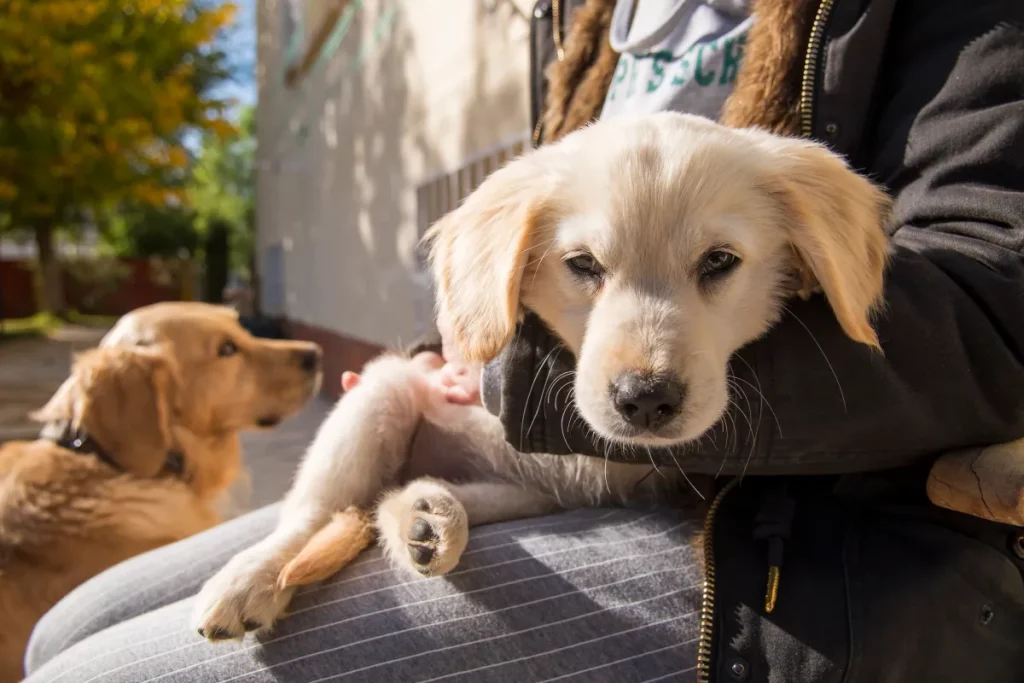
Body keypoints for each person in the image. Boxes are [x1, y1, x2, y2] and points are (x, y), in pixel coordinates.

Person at [23, 0, 1024, 681]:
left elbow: (988, 309)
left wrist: (516, 380)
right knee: (60, 624)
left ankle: (429, 507)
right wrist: (452, 348)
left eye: (720, 262)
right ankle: (324, 525)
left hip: (791, 541)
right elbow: (511, 263)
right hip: (522, 453)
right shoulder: (590, 18)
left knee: (91, 672)